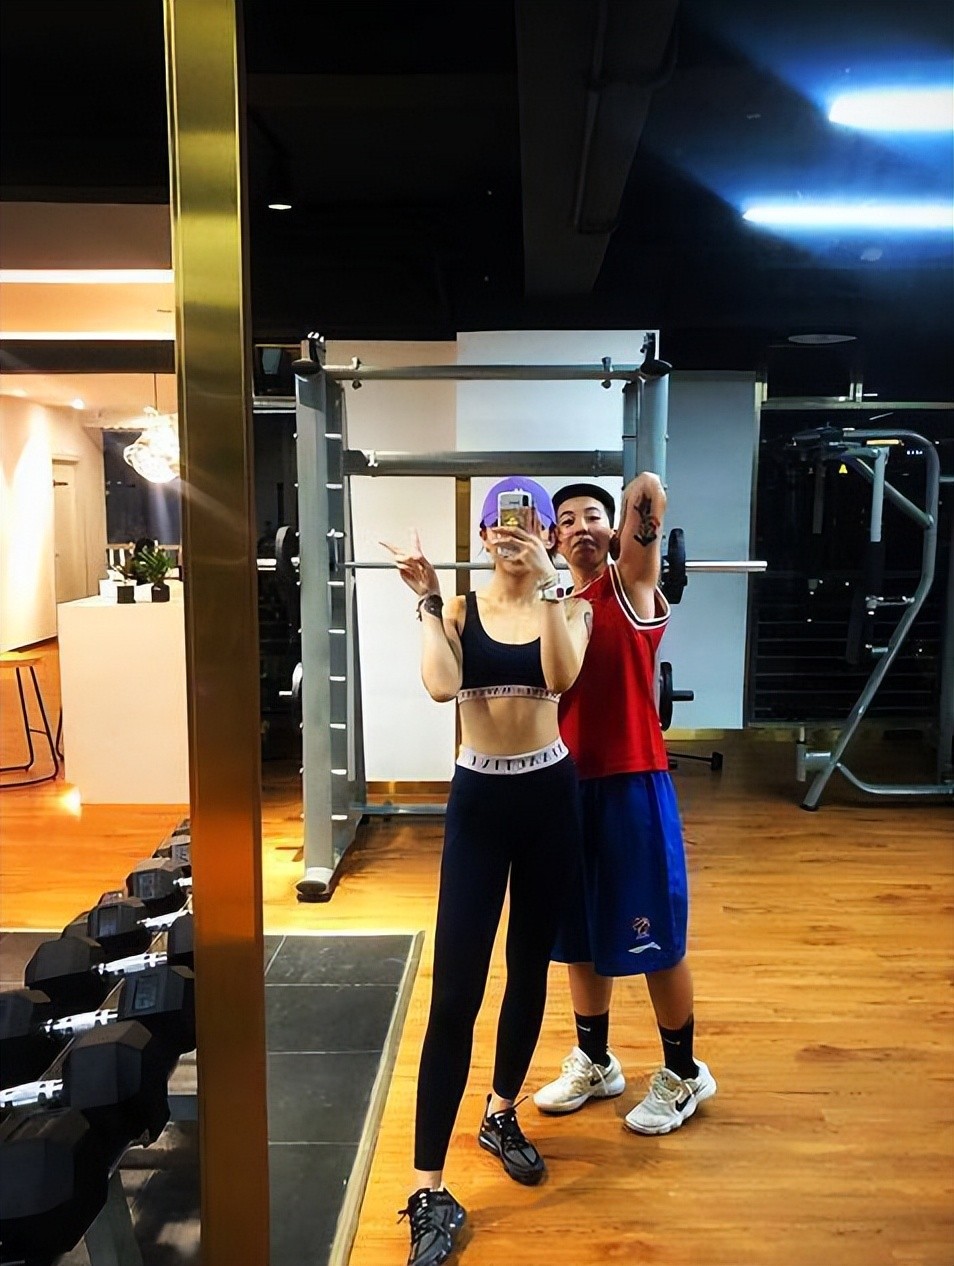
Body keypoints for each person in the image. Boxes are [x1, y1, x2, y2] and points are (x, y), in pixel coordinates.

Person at [383, 477, 591, 1266]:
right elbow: (442, 686)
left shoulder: (571, 605)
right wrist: (428, 598)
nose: (513, 533)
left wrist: (550, 582)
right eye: (501, 523)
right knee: (456, 994)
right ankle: (428, 1189)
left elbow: (561, 678)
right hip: (479, 802)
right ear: (481, 533)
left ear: (544, 531)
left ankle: (501, 1112)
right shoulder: (460, 612)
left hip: (549, 798)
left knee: (528, 969)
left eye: (528, 521)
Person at [532, 474, 717, 1136]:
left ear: (615, 532)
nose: (579, 528)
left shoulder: (630, 586)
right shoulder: (553, 604)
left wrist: (633, 520)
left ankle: (685, 1072)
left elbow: (650, 490)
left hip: (632, 785)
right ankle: (595, 1059)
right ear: (551, 540)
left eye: (593, 517)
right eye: (566, 521)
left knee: (655, 939)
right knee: (579, 936)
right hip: (567, 786)